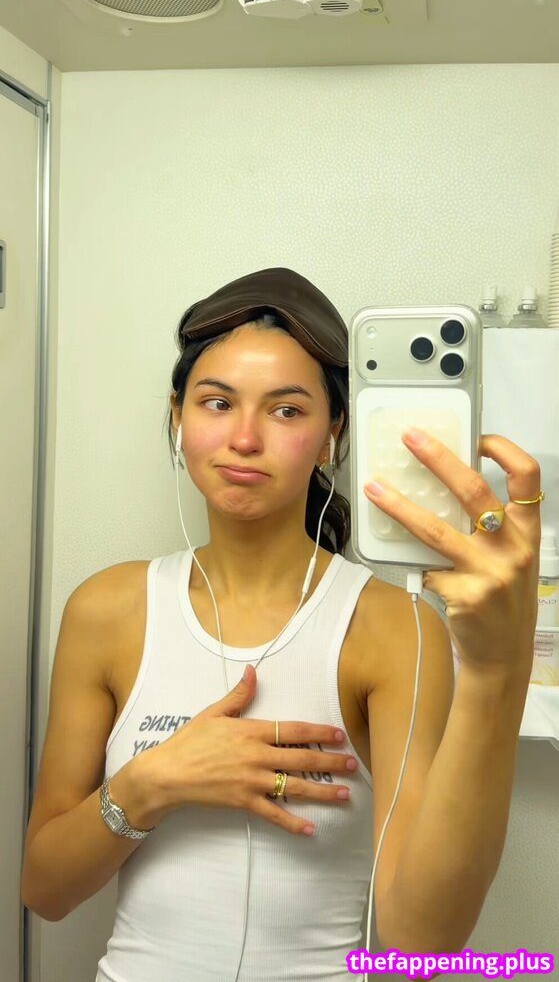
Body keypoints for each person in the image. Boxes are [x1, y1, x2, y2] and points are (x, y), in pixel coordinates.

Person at [21, 267, 542, 982]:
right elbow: (45, 891)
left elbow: (421, 942)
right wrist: (155, 781)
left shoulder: (393, 628)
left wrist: (497, 670)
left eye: (287, 411)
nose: (243, 437)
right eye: (216, 402)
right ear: (177, 417)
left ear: (333, 434)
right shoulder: (106, 609)